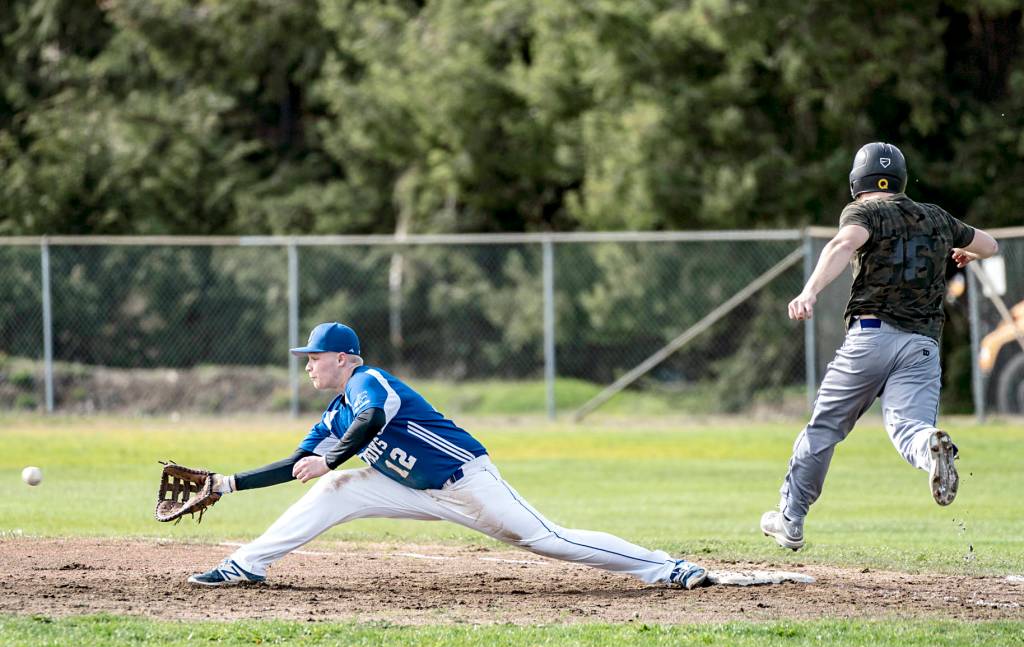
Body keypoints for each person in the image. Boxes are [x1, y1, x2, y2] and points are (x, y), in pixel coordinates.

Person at [189, 322, 709, 589]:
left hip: (465, 481)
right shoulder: (335, 414)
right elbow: (297, 463)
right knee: (334, 488)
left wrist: (330, 460)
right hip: (410, 486)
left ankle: (666, 569)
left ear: (343, 359)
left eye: (315, 357)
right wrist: (226, 484)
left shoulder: (371, 382)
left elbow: (373, 420)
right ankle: (246, 565)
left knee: (547, 540)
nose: (307, 365)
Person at [761, 142, 999, 551]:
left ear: (857, 182)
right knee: (910, 428)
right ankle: (930, 450)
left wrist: (810, 291)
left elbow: (843, 244)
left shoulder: (863, 212)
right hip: (923, 346)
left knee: (825, 428)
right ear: (901, 179)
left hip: (870, 338)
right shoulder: (937, 216)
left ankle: (791, 518)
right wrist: (967, 254)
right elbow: (990, 245)